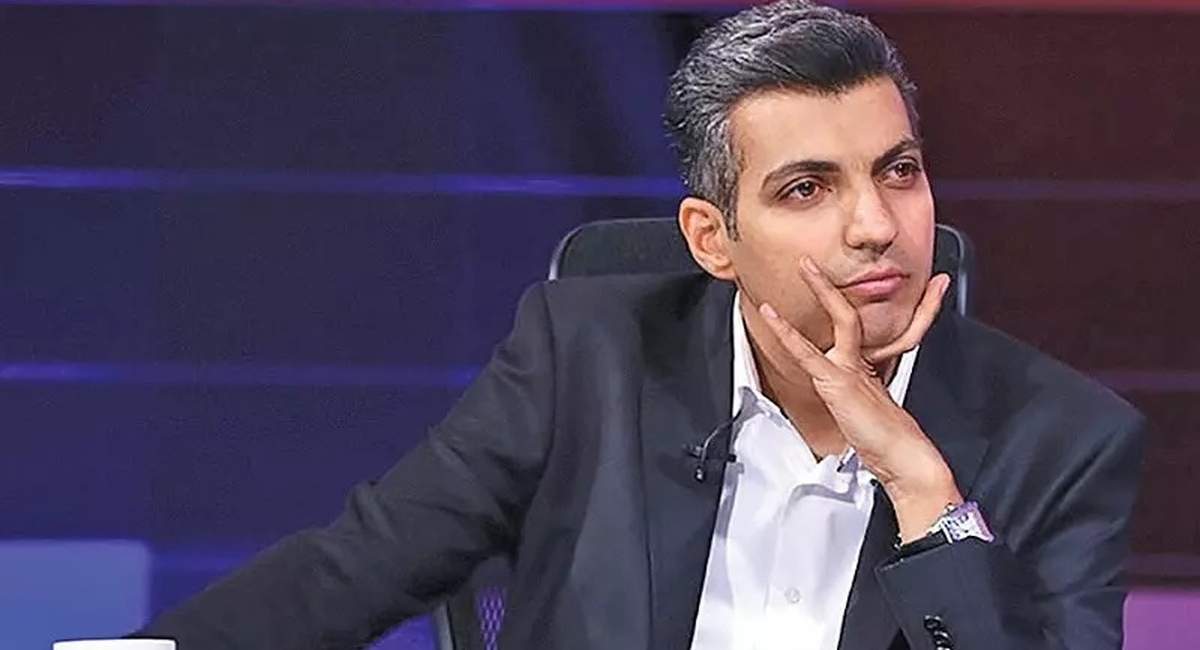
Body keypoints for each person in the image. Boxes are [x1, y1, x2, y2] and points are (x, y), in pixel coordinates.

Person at [137, 2, 1144, 649]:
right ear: (713, 239)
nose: (876, 225)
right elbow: (354, 568)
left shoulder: (1063, 438)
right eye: (808, 187)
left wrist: (924, 491)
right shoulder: (586, 358)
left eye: (899, 170)